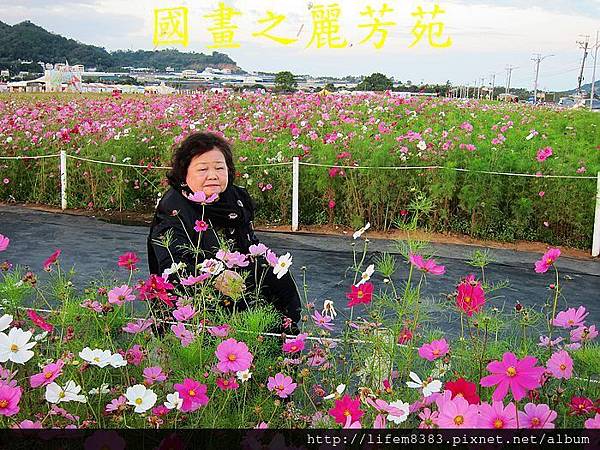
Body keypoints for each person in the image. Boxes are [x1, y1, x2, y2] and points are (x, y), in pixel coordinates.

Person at [147, 131, 301, 328]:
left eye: (220, 167)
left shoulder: (235, 199)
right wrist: (216, 276)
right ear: (184, 174)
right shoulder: (173, 208)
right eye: (202, 169)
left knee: (277, 278)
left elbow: (249, 245)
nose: (213, 175)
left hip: (242, 287)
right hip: (197, 302)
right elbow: (172, 263)